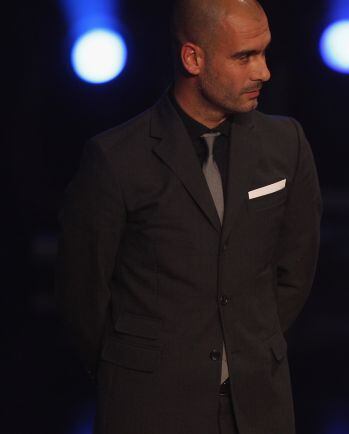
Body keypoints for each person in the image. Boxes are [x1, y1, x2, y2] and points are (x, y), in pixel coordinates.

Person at [56, 0, 321, 433]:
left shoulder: (285, 144)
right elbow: (82, 296)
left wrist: (247, 341)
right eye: (244, 56)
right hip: (148, 409)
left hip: (259, 407)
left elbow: (296, 269)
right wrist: (137, 367)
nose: (264, 72)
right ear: (193, 58)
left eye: (264, 52)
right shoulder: (115, 159)